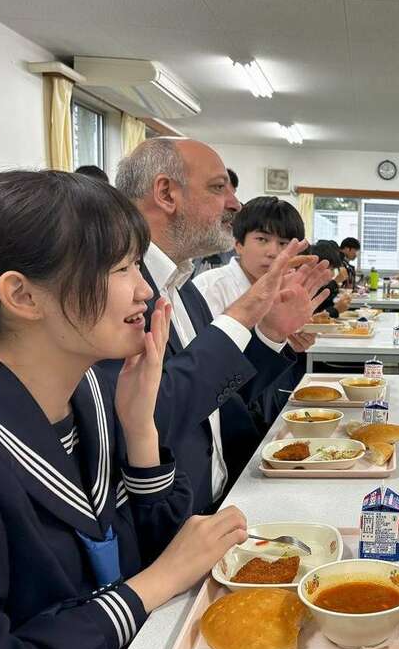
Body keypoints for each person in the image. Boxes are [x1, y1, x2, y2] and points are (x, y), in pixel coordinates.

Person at [0, 170, 248, 649]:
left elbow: (164, 549)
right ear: (23, 297)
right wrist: (151, 585)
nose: (145, 291)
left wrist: (141, 432)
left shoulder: (92, 394)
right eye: (120, 269)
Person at [107, 137, 330, 513]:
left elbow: (220, 398)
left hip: (219, 500)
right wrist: (247, 309)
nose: (234, 204)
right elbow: (149, 416)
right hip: (168, 519)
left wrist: (272, 334)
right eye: (217, 187)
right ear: (166, 193)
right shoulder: (119, 293)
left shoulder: (182, 286)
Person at [191, 196, 316, 425]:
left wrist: (290, 341)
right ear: (238, 243)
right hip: (220, 415)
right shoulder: (209, 289)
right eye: (262, 239)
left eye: (284, 243)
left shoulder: (289, 289)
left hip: (271, 403)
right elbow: (204, 368)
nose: (273, 252)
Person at [310, 240, 352, 318]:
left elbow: (321, 307)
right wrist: (335, 310)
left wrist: (338, 305)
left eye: (333, 269)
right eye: (331, 269)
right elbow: (310, 319)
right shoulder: (306, 288)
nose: (332, 274)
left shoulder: (317, 286)